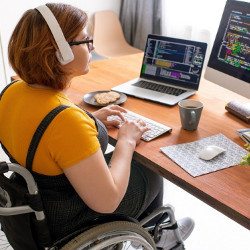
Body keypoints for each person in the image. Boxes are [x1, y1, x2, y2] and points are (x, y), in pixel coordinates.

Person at [0, 3, 194, 249]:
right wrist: (125, 140)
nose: (93, 46)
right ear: (60, 52)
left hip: (37, 200)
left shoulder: (12, 90)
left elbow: (49, 134)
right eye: (85, 39)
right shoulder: (66, 121)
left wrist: (91, 120)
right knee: (150, 169)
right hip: (66, 218)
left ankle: (158, 233)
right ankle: (161, 237)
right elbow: (108, 201)